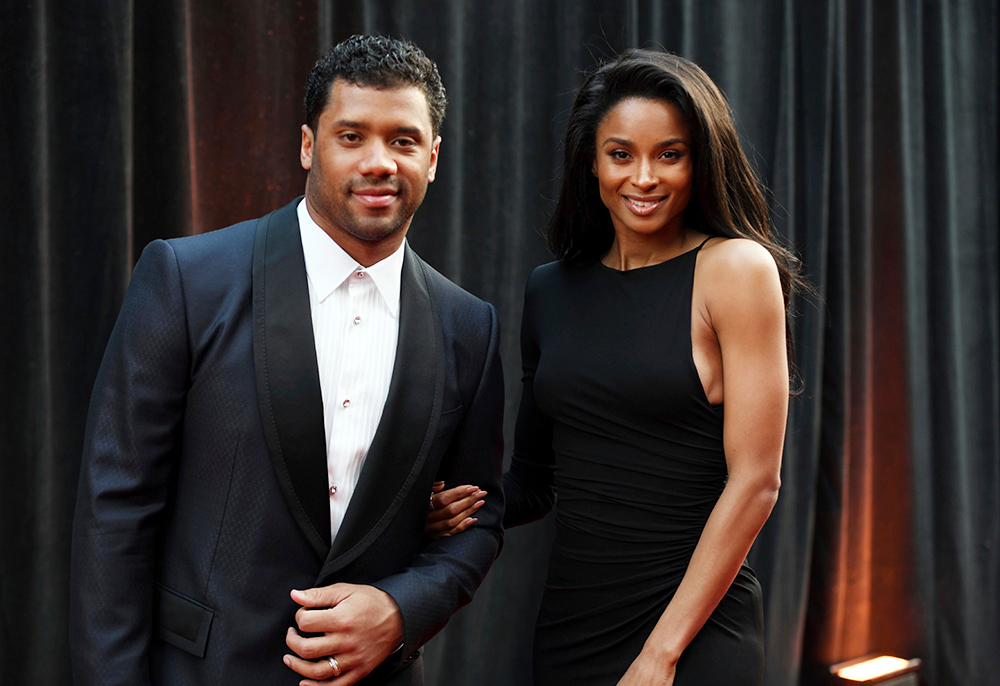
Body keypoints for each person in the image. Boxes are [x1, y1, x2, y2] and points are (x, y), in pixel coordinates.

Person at [70, 35, 504, 686]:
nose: (380, 162)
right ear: (309, 145)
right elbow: (116, 510)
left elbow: (479, 518)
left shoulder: (470, 326)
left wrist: (399, 609)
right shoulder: (188, 280)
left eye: (404, 141)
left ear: (434, 158)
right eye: (352, 136)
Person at [431, 49, 805, 685]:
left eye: (670, 154)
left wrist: (661, 655)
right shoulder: (551, 290)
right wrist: (449, 504)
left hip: (694, 633)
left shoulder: (734, 270)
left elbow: (756, 483)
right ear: (592, 161)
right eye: (621, 153)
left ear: (699, 161)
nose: (644, 178)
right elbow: (534, 479)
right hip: (573, 629)